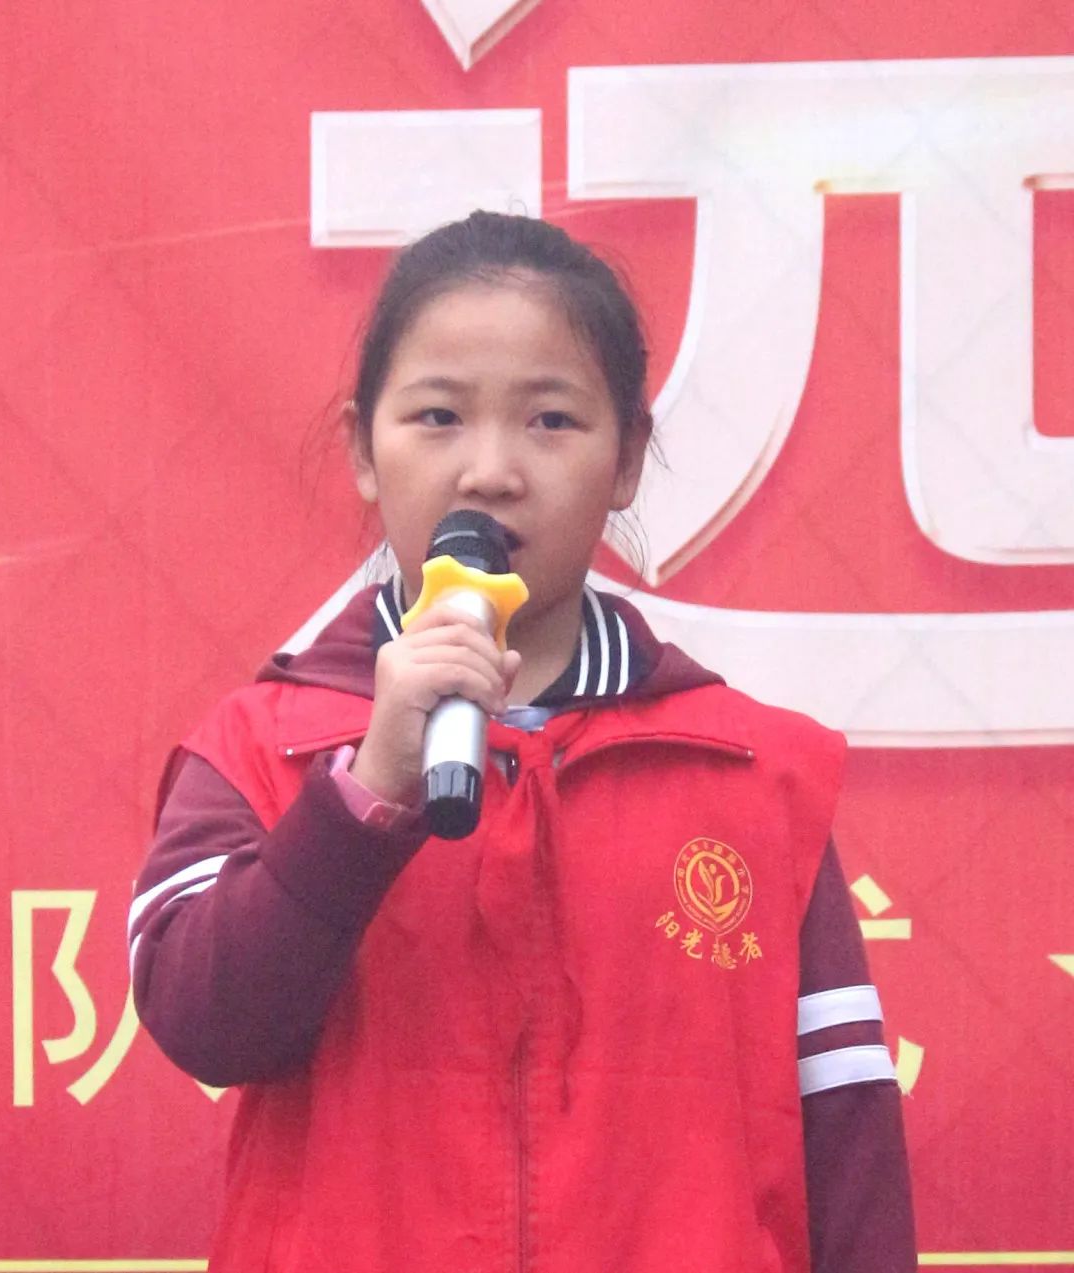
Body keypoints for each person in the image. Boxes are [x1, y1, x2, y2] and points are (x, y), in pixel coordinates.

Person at [129, 210, 915, 1272]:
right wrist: (369, 790)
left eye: (551, 420)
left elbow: (849, 1146)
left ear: (626, 459)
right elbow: (207, 1025)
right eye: (438, 416)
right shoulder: (261, 747)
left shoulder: (755, 775)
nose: (490, 471)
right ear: (363, 449)